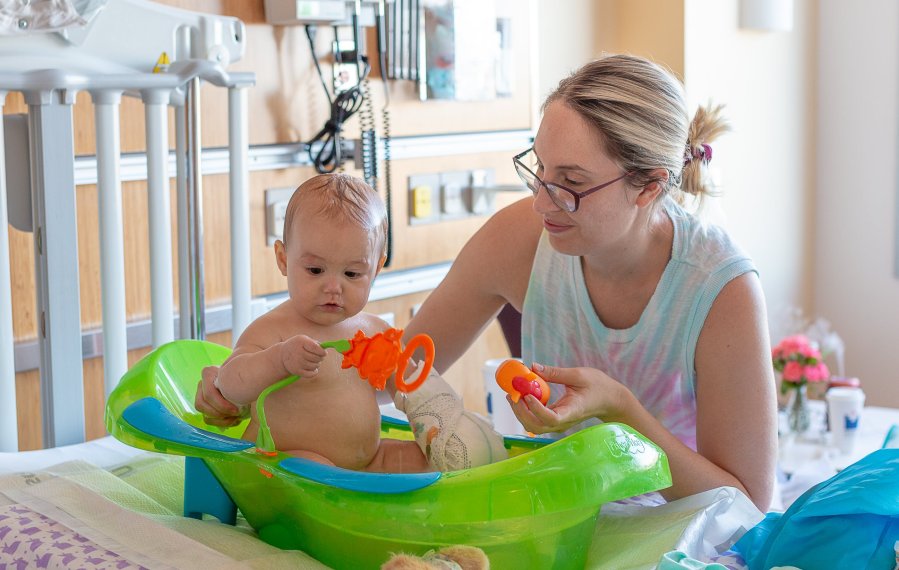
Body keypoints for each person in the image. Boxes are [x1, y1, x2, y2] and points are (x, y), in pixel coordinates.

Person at [404, 54, 778, 510]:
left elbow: (746, 506)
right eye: (539, 168)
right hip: (561, 523)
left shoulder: (720, 288)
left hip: (678, 540)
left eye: (571, 182)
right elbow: (401, 371)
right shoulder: (517, 239)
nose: (542, 202)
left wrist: (621, 410)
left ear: (647, 187)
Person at [193, 173, 507, 473]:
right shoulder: (273, 330)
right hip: (290, 462)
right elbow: (230, 385)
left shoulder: (374, 331)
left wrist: (440, 418)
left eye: (352, 274)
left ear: (376, 268)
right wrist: (279, 360)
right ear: (283, 259)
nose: (333, 287)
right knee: (311, 470)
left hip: (370, 459)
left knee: (432, 464)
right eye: (315, 270)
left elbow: (412, 387)